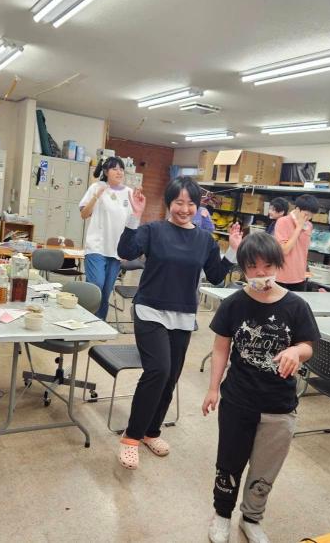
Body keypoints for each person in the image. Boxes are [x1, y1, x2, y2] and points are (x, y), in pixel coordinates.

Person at [116, 176, 242, 469]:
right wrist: (134, 216)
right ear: (169, 203)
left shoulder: (204, 240)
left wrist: (233, 250)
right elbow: (126, 252)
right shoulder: (154, 230)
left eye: (190, 203)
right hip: (150, 310)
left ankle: (151, 432)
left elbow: (216, 276)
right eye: (178, 202)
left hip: (183, 316)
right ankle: (131, 437)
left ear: (198, 207)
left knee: (171, 376)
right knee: (158, 370)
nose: (184, 209)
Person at [202, 232, 319, 543]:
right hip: (238, 399)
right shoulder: (233, 304)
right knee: (229, 461)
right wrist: (213, 389)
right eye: (253, 267)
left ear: (278, 265)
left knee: (265, 469)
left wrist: (296, 351)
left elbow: (308, 346)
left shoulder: (296, 306)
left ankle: (252, 518)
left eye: (267, 266)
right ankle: (222, 515)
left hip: (279, 405)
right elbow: (220, 349)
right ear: (243, 268)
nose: (260, 273)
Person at [79, 156, 134, 320]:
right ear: (105, 171)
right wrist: (96, 196)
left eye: (121, 169)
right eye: (115, 169)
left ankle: (99, 322)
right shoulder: (96, 187)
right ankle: (86, 319)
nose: (119, 172)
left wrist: (128, 248)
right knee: (96, 285)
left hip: (117, 250)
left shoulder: (129, 192)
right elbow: (84, 214)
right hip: (96, 247)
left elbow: (132, 222)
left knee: (106, 290)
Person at [274, 194, 319, 291]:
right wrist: (299, 227)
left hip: (300, 276)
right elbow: (284, 250)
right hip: (282, 276)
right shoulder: (283, 221)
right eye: (306, 214)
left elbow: (303, 251)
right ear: (297, 209)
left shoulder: (309, 226)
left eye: (311, 215)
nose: (308, 218)